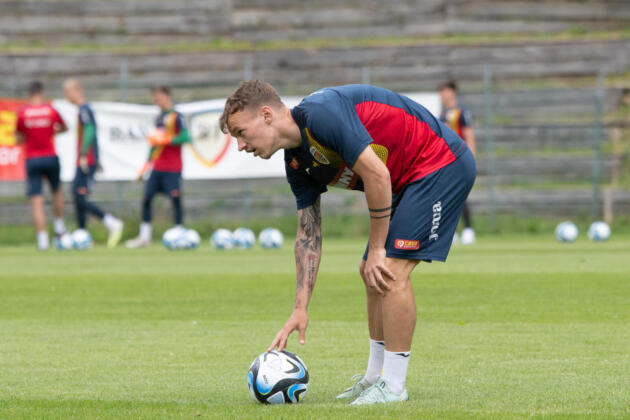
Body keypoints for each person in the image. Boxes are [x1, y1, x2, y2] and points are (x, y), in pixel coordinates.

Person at [219, 81, 475, 405]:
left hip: (440, 163)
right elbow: (308, 234)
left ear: (267, 115)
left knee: (389, 271)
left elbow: (377, 175)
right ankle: (374, 377)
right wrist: (300, 308)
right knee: (369, 271)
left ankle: (394, 386)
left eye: (241, 132)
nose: (240, 145)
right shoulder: (296, 161)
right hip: (405, 181)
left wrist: (378, 250)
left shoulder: (321, 114)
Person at [126, 86, 191, 248]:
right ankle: (144, 237)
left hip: (173, 168)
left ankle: (179, 232)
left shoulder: (177, 117)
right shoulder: (159, 118)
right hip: (157, 167)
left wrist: (167, 140)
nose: (156, 101)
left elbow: (186, 137)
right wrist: (146, 165)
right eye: (154, 99)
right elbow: (155, 143)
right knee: (146, 198)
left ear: (166, 96)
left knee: (175, 199)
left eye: (158, 98)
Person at [63, 79, 123, 247]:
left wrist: (84, 155)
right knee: (77, 197)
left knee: (80, 197)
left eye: (68, 92)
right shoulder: (83, 110)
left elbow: (90, 131)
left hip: (86, 160)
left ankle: (111, 222)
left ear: (78, 90)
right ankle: (81, 233)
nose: (67, 96)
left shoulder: (85, 110)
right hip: (86, 159)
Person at [15, 81, 68, 250]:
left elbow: (18, 137)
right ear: (42, 92)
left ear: (29, 94)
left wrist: (30, 137)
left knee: (36, 200)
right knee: (56, 192)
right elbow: (64, 127)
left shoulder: (23, 113)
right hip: (50, 156)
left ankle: (42, 240)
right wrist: (51, 132)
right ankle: (60, 228)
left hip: (32, 159)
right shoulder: (51, 110)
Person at [438, 80, 477, 245]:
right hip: (445, 161)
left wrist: (471, 159)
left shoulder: (461, 112)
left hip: (460, 159)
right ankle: (451, 232)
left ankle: (468, 229)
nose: (442, 95)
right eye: (441, 92)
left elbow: (469, 135)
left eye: (445, 91)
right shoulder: (441, 114)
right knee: (446, 195)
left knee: (460, 194)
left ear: (453, 92)